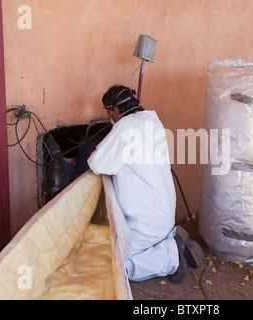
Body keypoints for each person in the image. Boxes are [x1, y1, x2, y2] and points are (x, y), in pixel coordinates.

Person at [87, 85, 203, 283]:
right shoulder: (151, 120)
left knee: (118, 265)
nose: (110, 117)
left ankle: (171, 255)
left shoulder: (127, 126)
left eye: (109, 112)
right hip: (162, 214)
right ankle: (170, 237)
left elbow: (97, 163)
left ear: (115, 110)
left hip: (146, 222)